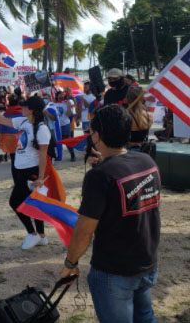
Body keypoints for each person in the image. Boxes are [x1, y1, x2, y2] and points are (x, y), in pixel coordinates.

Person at [60, 105, 161, 323]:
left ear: (96, 136)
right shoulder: (148, 162)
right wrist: (106, 165)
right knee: (146, 318)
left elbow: (84, 232)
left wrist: (70, 263)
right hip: (147, 263)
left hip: (115, 271)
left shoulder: (100, 176)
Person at [0, 96, 50, 250]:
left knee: (15, 202)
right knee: (33, 202)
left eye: (25, 106)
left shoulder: (42, 129)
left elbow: (43, 155)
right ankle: (41, 235)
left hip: (31, 171)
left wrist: (41, 177)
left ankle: (32, 233)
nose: (21, 108)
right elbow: (2, 120)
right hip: (19, 169)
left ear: (32, 110)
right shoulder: (22, 121)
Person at [45, 91, 75, 161]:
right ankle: (58, 155)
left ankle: (72, 154)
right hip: (56, 126)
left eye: (63, 95)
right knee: (57, 141)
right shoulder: (53, 104)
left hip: (65, 125)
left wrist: (68, 106)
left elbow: (69, 115)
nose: (61, 97)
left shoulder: (65, 103)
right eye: (60, 95)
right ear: (57, 96)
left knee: (67, 140)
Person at [126, 87, 153, 151]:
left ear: (128, 99)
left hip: (128, 149)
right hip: (143, 149)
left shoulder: (125, 115)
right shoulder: (149, 115)